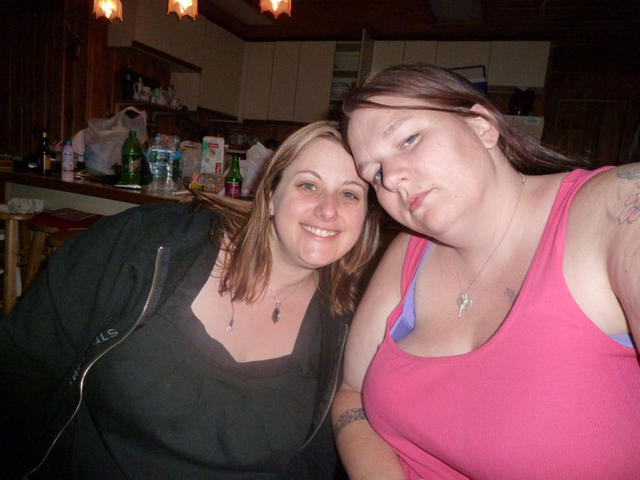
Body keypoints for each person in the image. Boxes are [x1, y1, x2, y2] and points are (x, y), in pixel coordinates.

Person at [0, 120, 380, 479]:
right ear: (270, 195)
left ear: (365, 218)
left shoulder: (349, 330)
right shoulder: (148, 244)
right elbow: (22, 363)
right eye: (308, 185)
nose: (328, 209)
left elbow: (313, 463)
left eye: (349, 194)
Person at [331, 63, 640, 479]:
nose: (393, 180)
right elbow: (351, 393)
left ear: (482, 126)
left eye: (408, 139)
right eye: (376, 173)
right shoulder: (408, 252)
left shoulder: (617, 210)